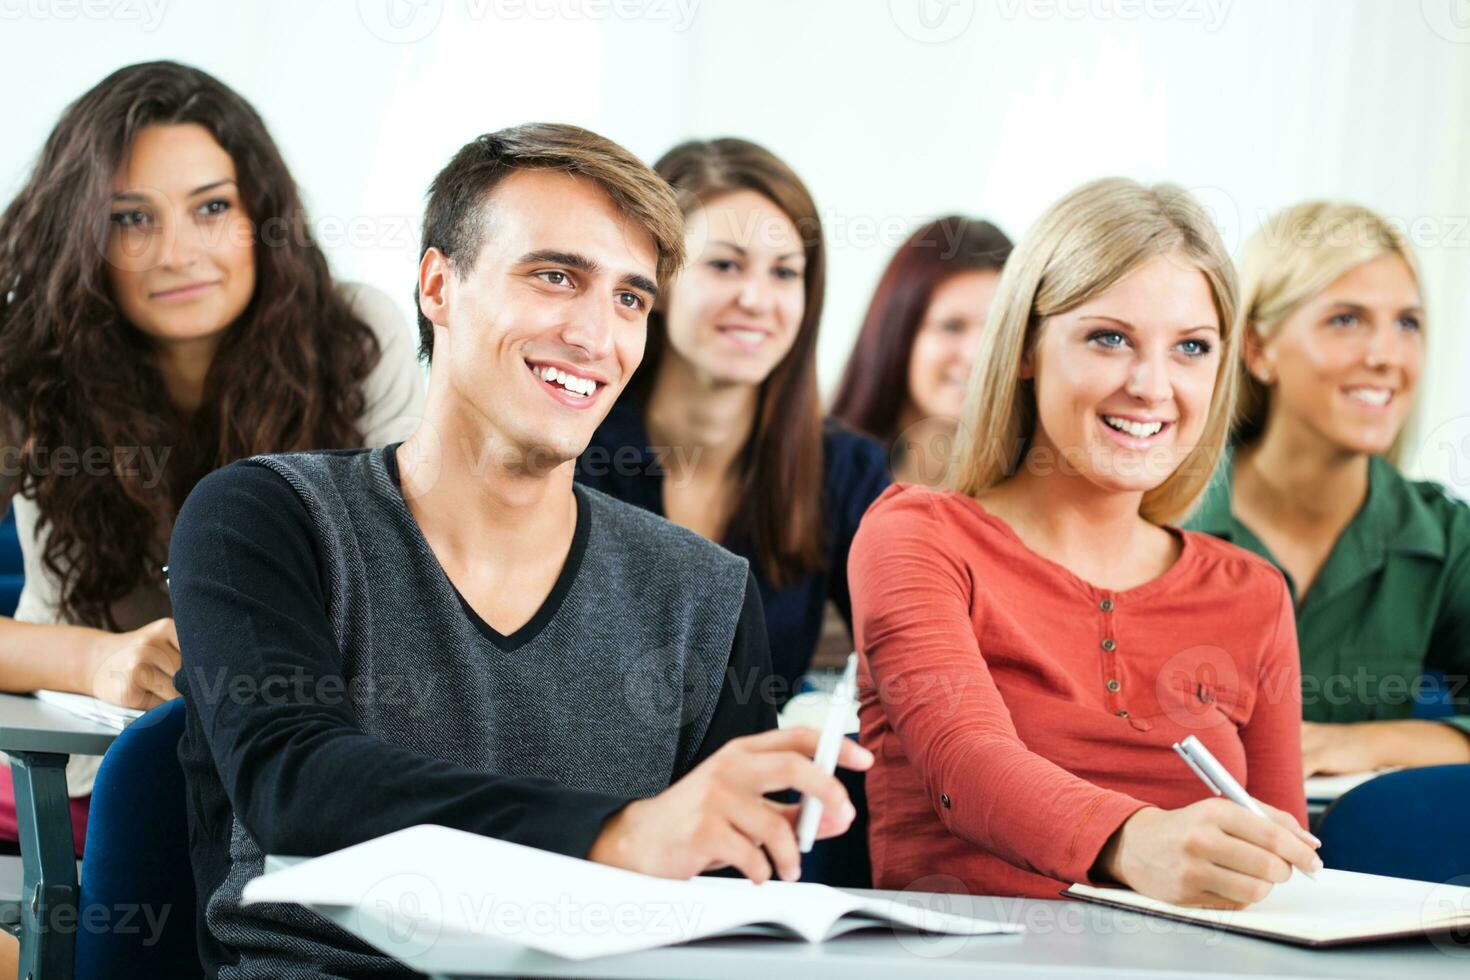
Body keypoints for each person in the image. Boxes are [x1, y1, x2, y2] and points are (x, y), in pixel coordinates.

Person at [168, 123, 870, 979]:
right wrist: (616, 834)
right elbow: (295, 781)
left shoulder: (704, 594)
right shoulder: (265, 518)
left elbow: (713, 908)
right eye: (555, 276)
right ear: (438, 284)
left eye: (629, 299)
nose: (593, 333)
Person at [849, 178, 1321, 907]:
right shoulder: (918, 536)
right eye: (1109, 338)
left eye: (1192, 347)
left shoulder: (1252, 591)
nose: (1151, 385)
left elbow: (1279, 863)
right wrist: (1132, 842)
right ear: (1028, 348)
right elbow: (967, 767)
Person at [0, 61, 424, 853]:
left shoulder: (358, 338)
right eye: (131, 219)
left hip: (315, 763)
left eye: (212, 209)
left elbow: (419, 585)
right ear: (81, 233)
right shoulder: (31, 364)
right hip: (94, 768)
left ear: (262, 214)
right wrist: (94, 658)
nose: (176, 252)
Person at [576, 139, 890, 702]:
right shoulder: (573, 447)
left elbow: (911, 660)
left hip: (767, 790)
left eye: (785, 273)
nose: (756, 299)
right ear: (657, 281)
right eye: (724, 265)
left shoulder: (845, 471)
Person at [1185, 202, 1470, 775]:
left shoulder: (1444, 534)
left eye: (1407, 323)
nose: (1385, 355)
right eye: (1346, 320)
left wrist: (1366, 744)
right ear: (1259, 349)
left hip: (1359, 859)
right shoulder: (1161, 516)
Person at [832, 216, 1013, 485]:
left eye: (998, 330)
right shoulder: (819, 472)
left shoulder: (1031, 492)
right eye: (952, 326)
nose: (978, 355)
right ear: (897, 334)